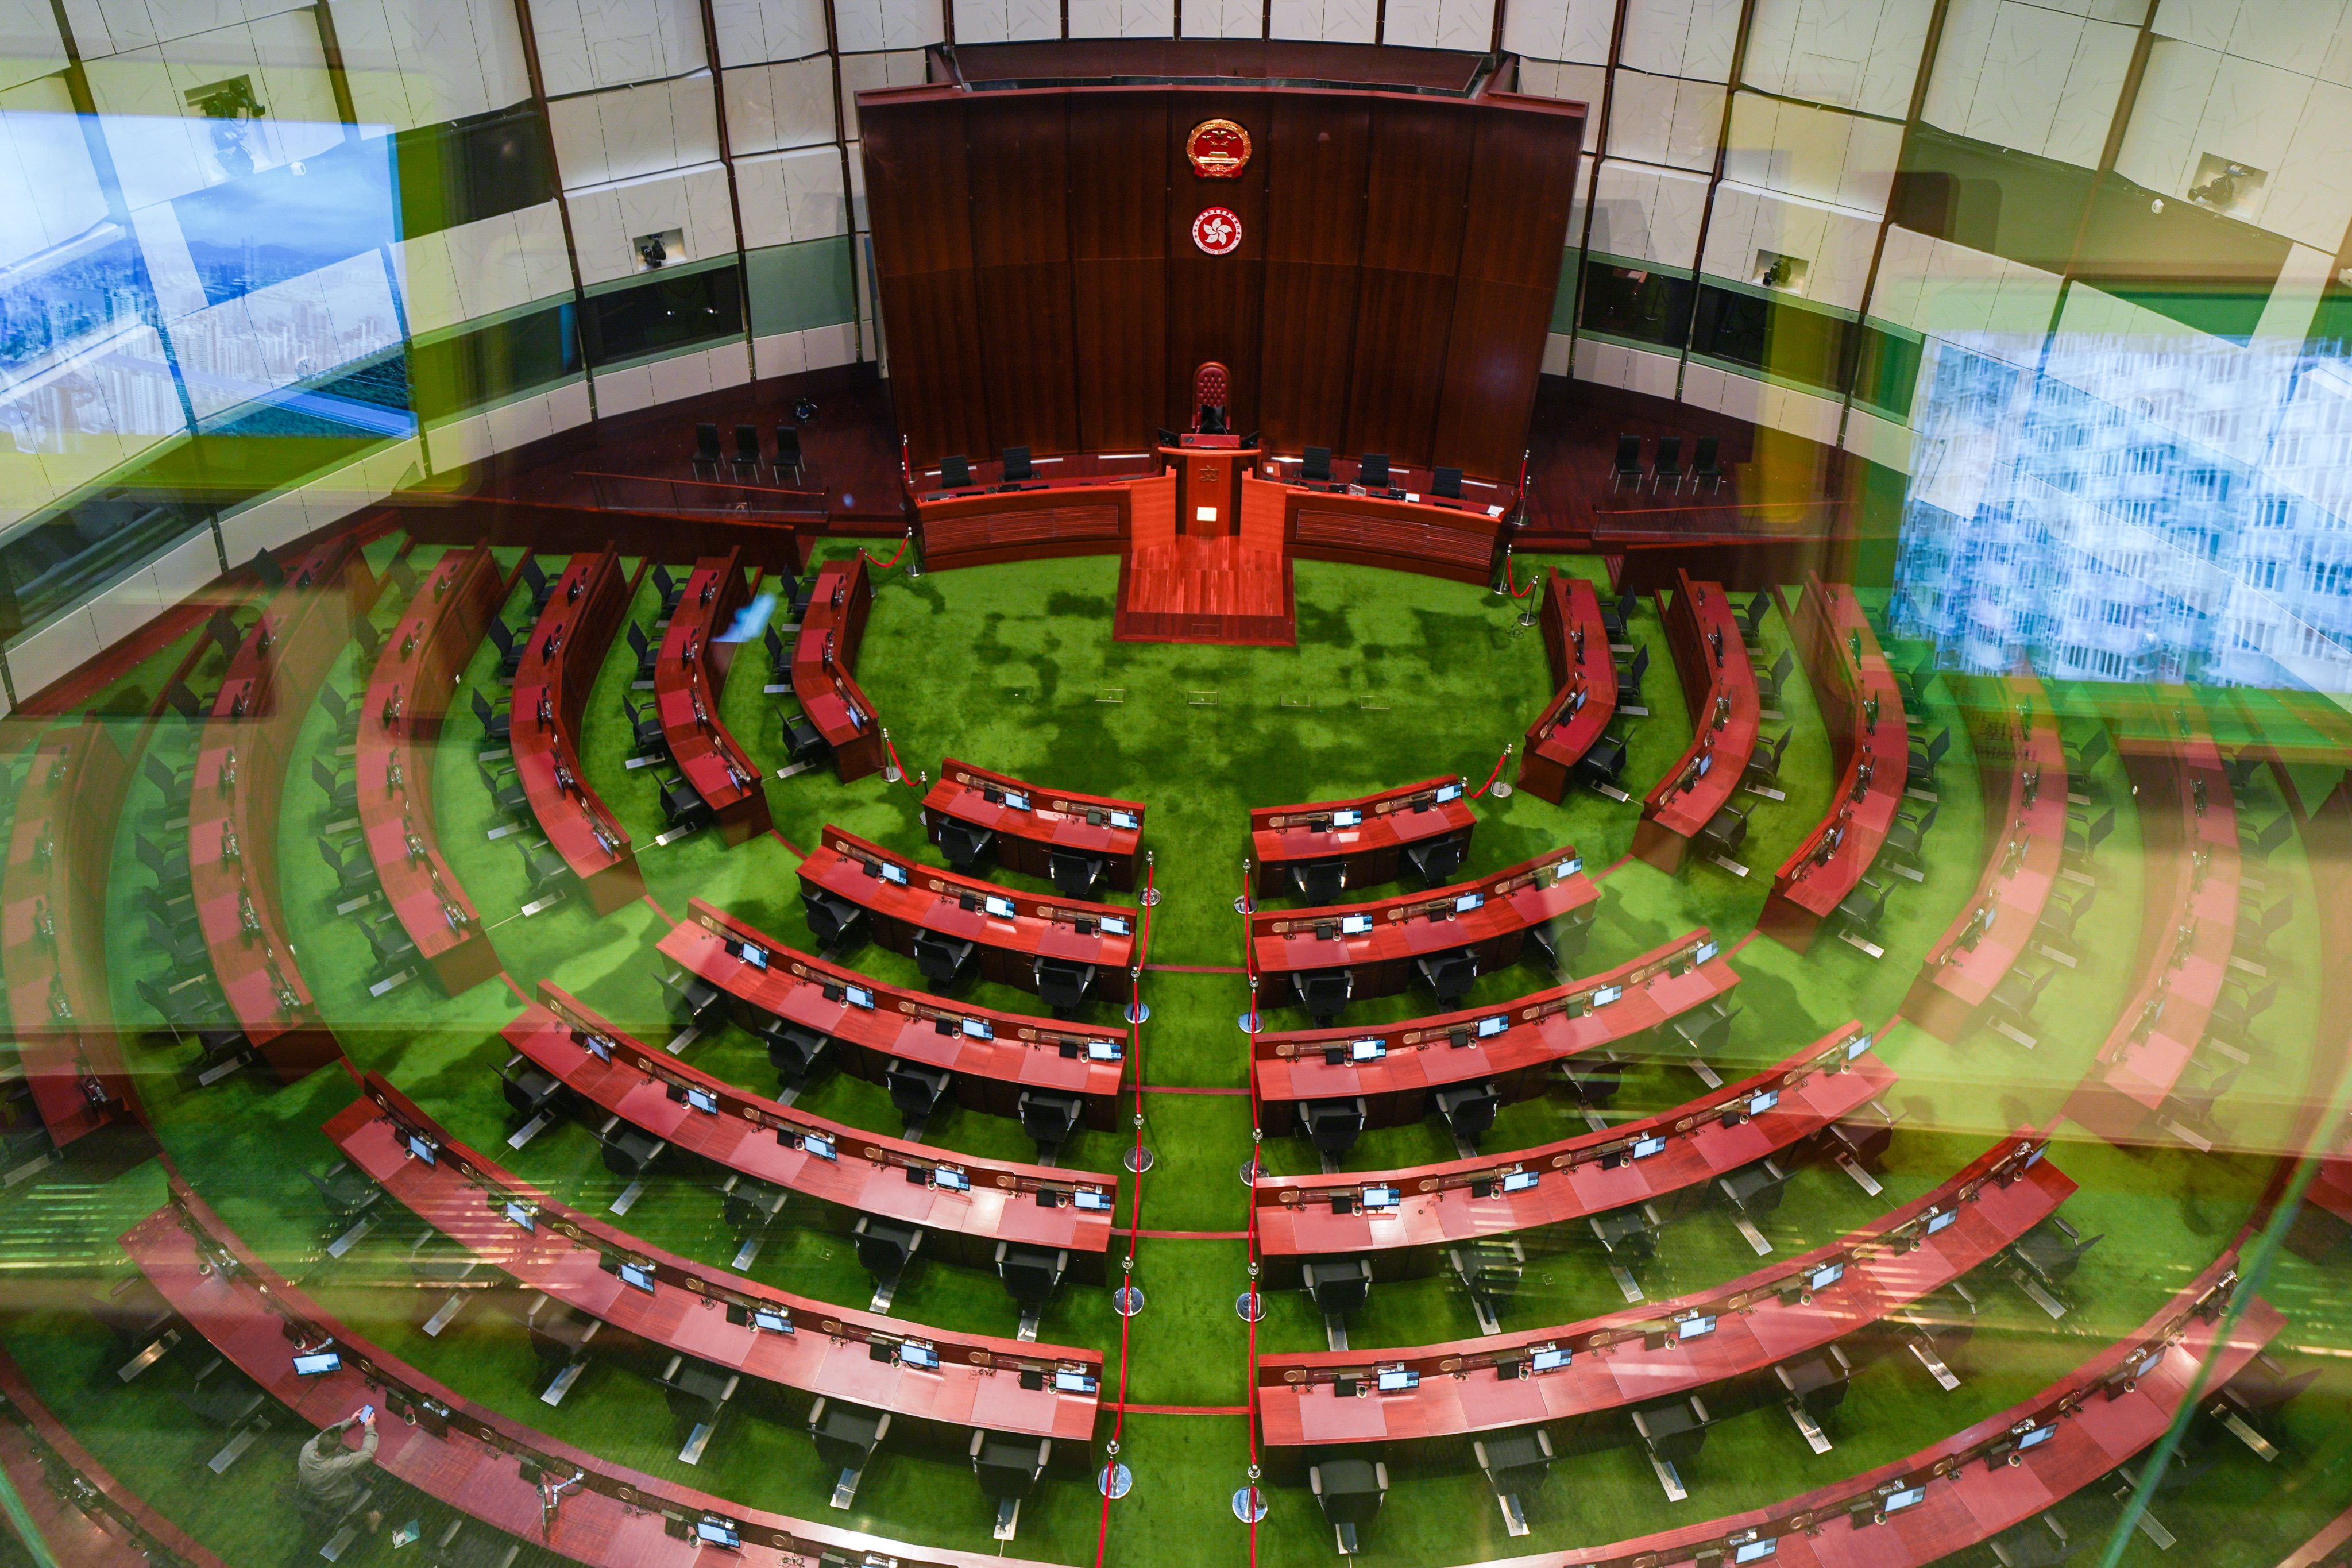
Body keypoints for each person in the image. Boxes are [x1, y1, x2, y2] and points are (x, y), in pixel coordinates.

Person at [297, 1408, 382, 1533]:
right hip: (340, 1500)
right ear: (336, 1449)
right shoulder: (336, 1465)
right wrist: (369, 1427)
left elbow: (325, 1434)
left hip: (317, 1491)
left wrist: (349, 1421)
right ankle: (373, 1516)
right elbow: (368, 1453)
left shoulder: (308, 1448)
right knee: (380, 1478)